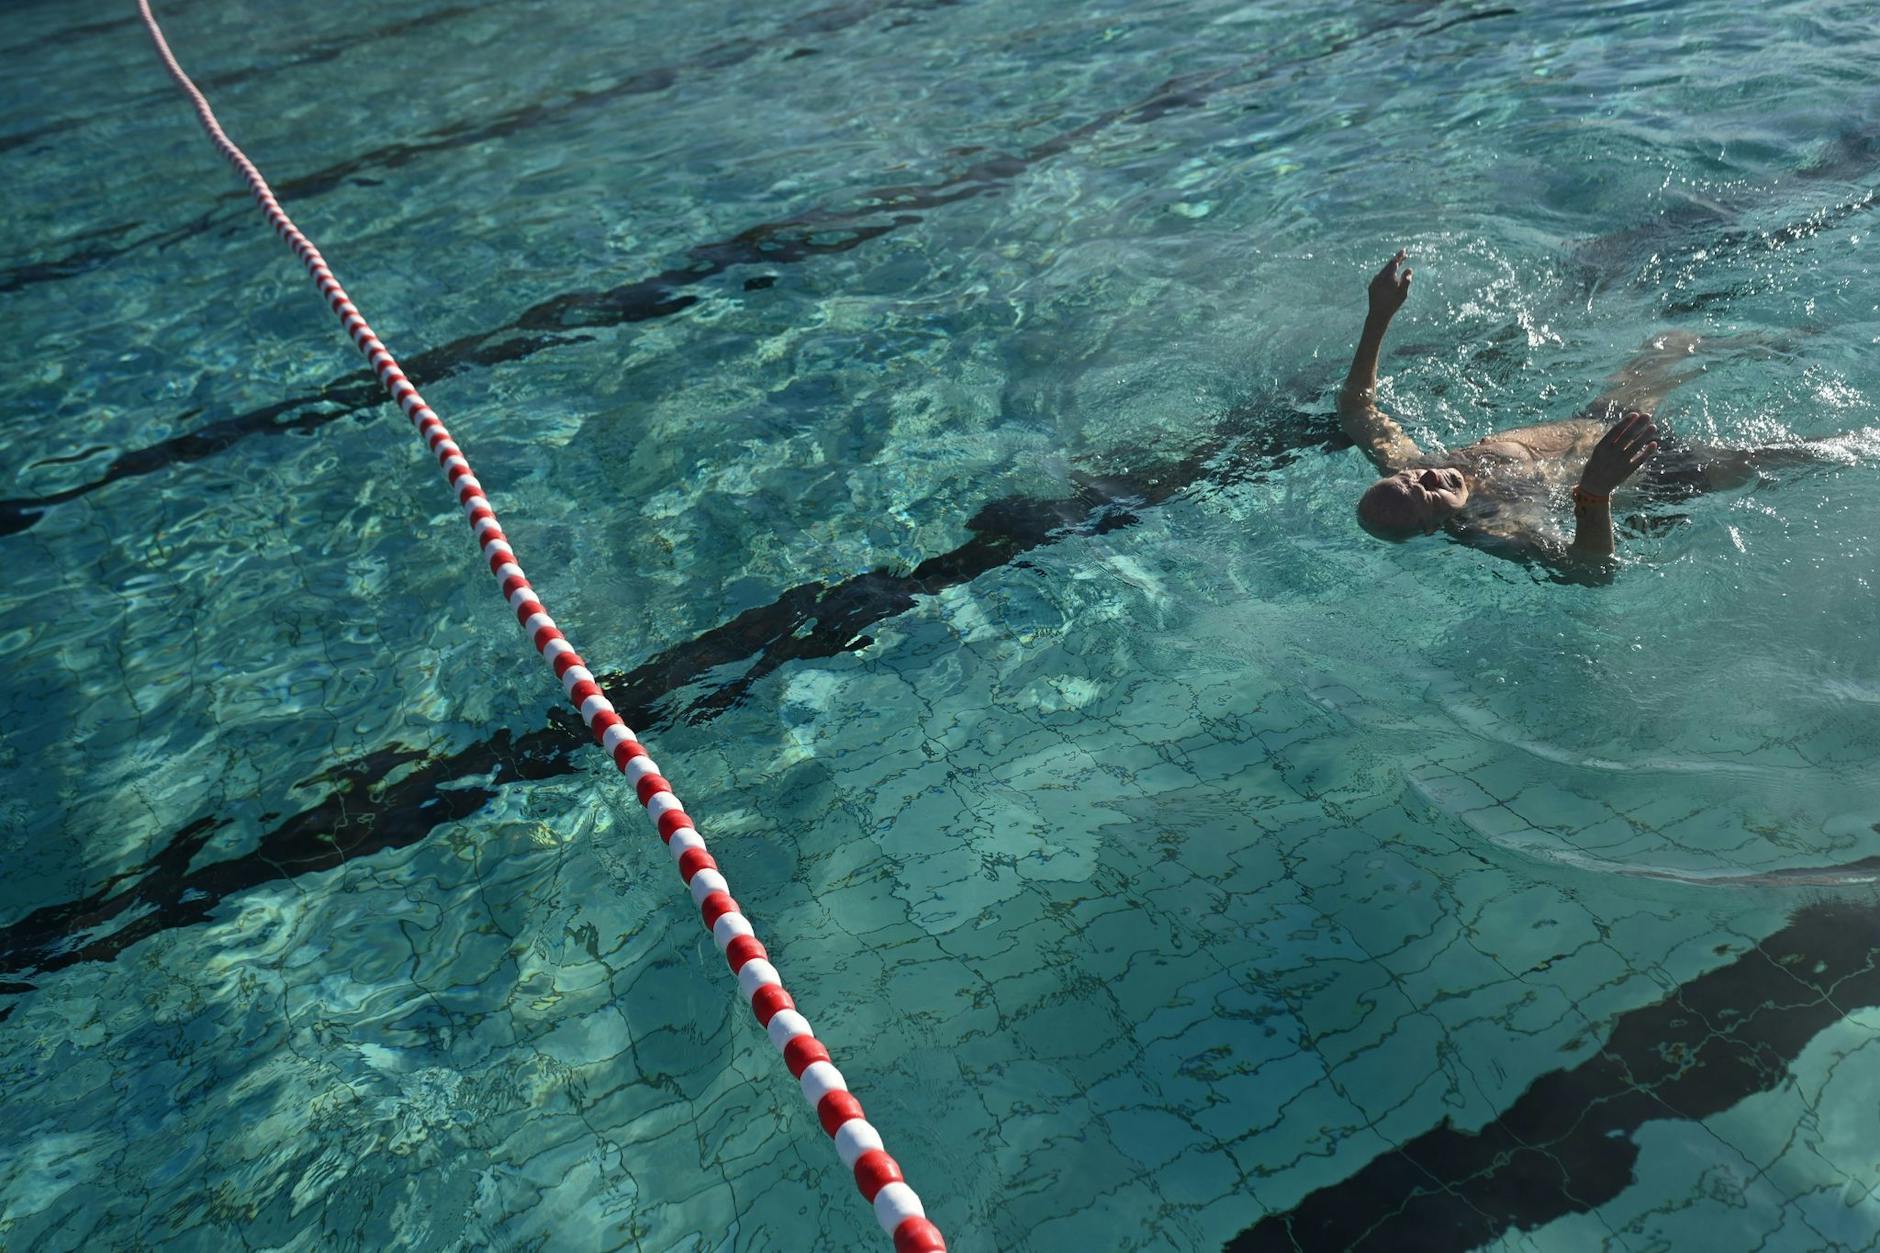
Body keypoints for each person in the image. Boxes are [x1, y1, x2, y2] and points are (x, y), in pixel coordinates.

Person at [1340, 249, 1817, 571]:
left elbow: (1357, 409)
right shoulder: (1498, 526)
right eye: (1422, 495)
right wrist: (1595, 492)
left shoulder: (1413, 465)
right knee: (1785, 457)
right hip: (1649, 474)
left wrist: (1379, 315)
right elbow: (1589, 570)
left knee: (1671, 344)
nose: (1426, 477)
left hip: (1608, 423)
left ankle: (1800, 341)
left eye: (1407, 479)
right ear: (1430, 528)